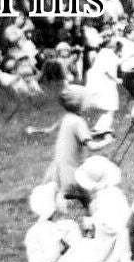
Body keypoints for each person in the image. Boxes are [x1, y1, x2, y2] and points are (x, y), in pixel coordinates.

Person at [74, 156, 134, 262]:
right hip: (119, 237)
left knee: (97, 259)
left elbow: (110, 224)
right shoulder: (114, 192)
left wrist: (91, 221)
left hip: (114, 239)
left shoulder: (105, 197)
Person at [45, 85, 114, 215]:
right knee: (90, 201)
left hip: (62, 173)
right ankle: (93, 225)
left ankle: (58, 217)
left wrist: (99, 133)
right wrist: (107, 141)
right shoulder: (79, 121)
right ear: (79, 103)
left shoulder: (67, 119)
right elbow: (92, 146)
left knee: (67, 198)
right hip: (77, 174)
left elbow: (83, 135)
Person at [83, 42, 122, 134]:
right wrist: (116, 80)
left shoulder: (104, 53)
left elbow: (117, 62)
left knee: (109, 106)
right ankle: (102, 129)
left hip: (99, 82)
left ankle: (99, 127)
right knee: (112, 105)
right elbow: (106, 70)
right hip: (104, 83)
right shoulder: (108, 54)